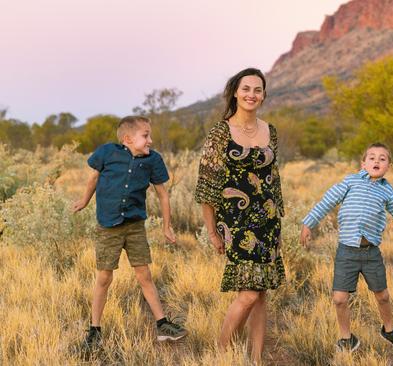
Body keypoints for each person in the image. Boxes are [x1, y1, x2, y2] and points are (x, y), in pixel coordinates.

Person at [72, 115, 188, 348]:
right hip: (108, 226)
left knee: (144, 275)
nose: (150, 140)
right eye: (145, 136)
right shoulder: (107, 153)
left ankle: (162, 325)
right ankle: (94, 331)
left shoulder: (153, 160)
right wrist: (84, 200)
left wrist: (167, 226)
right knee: (104, 277)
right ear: (128, 138)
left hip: (135, 227)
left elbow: (163, 194)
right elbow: (93, 178)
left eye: (150, 135)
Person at [195, 68, 285, 363]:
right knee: (247, 294)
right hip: (235, 223)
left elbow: (274, 180)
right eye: (246, 89)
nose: (251, 95)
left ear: (264, 95)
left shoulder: (270, 130)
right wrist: (211, 231)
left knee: (261, 295)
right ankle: (221, 355)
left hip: (268, 222)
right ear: (236, 91)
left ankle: (256, 358)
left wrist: (279, 225)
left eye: (257, 90)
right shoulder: (220, 133)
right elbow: (207, 186)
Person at [300, 143, 393, 353]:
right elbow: (327, 201)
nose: (377, 161)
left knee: (382, 296)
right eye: (372, 157)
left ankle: (389, 330)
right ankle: (347, 338)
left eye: (382, 159)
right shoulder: (351, 181)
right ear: (363, 163)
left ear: (388, 166)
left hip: (371, 253)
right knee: (339, 299)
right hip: (346, 252)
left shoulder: (388, 192)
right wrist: (308, 223)